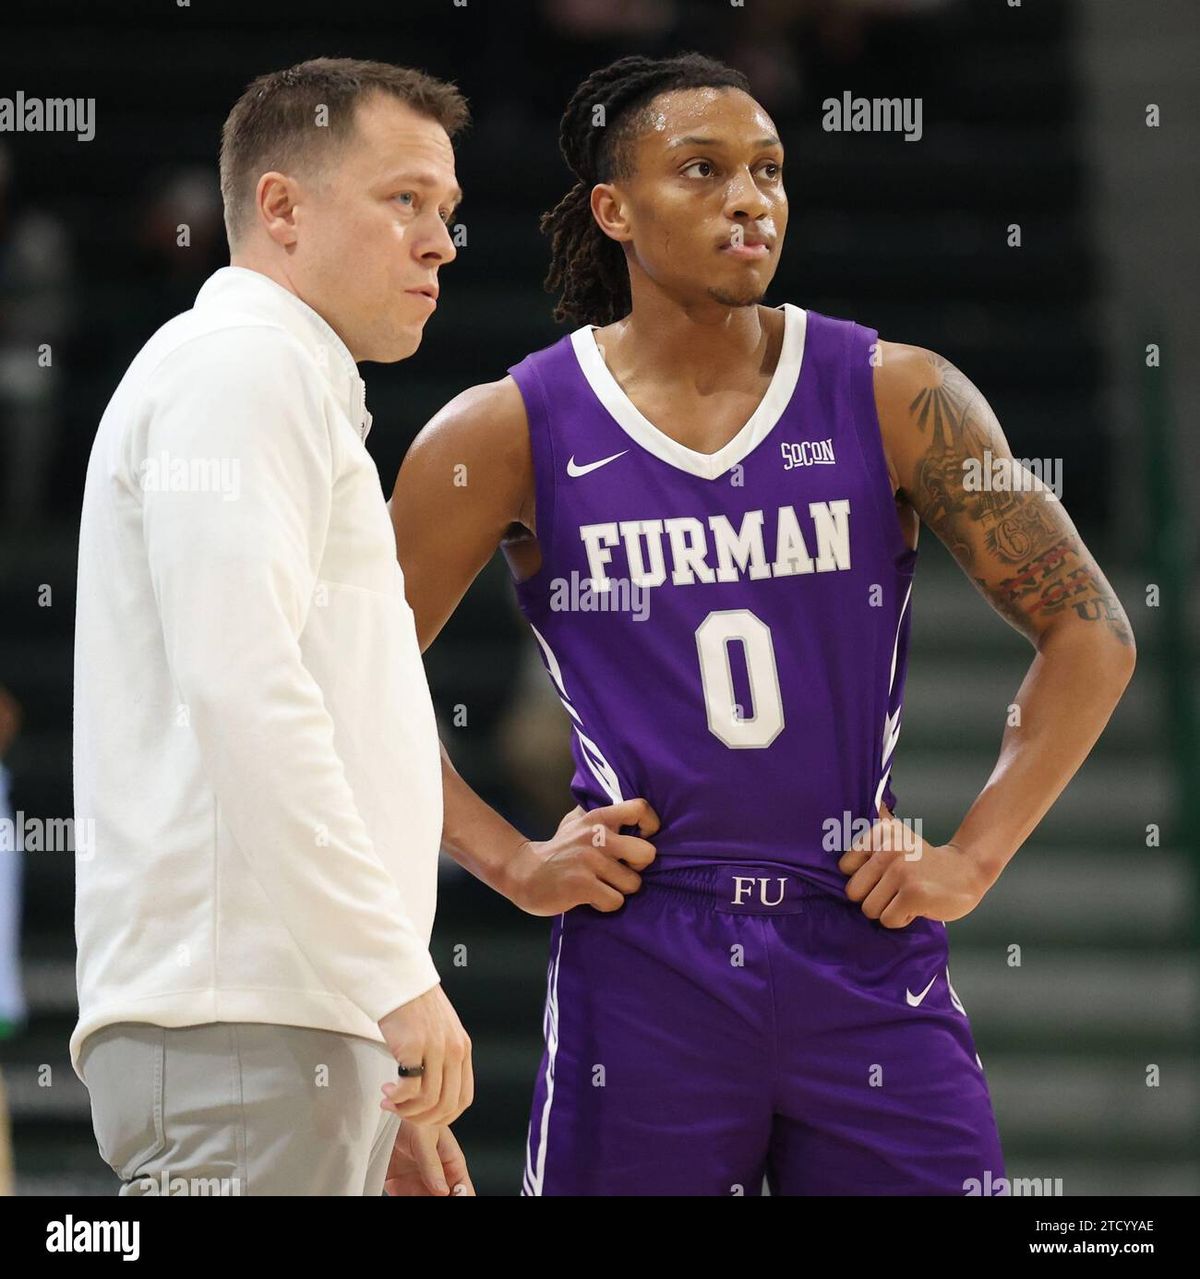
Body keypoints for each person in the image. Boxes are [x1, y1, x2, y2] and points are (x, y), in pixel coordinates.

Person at [389, 52, 1137, 1196]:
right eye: (704, 170)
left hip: (858, 927)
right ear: (615, 210)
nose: (751, 198)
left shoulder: (894, 390)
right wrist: (514, 863)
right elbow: (349, 678)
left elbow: (1091, 630)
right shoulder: (504, 428)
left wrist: (974, 859)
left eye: (769, 171)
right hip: (647, 948)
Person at [73, 57, 475, 1197]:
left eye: (447, 213)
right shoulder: (243, 369)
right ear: (281, 207)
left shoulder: (274, 379)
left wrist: (355, 1051)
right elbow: (245, 692)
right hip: (242, 1025)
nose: (440, 242)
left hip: (275, 1031)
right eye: (405, 201)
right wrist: (393, 986)